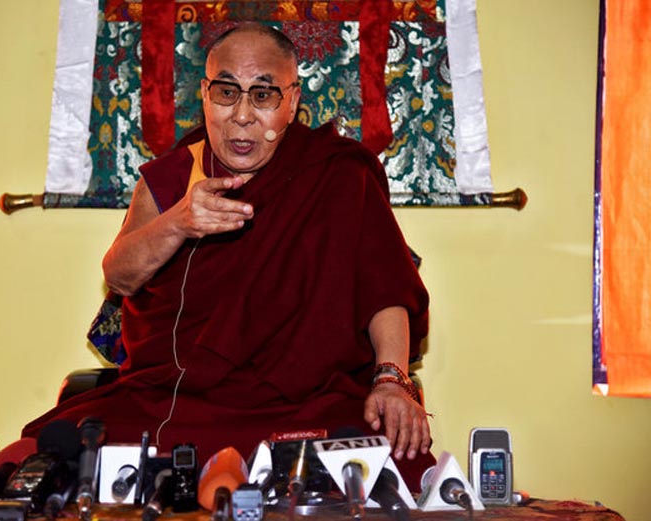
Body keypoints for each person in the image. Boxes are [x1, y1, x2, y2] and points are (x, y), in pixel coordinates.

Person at [23, 22, 433, 491]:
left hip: (303, 402)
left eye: (263, 96)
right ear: (204, 93)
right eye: (226, 92)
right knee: (42, 463)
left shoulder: (338, 174)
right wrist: (178, 221)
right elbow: (120, 277)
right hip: (175, 401)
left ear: (293, 100)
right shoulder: (173, 177)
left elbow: (385, 289)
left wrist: (390, 379)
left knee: (394, 460)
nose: (241, 116)